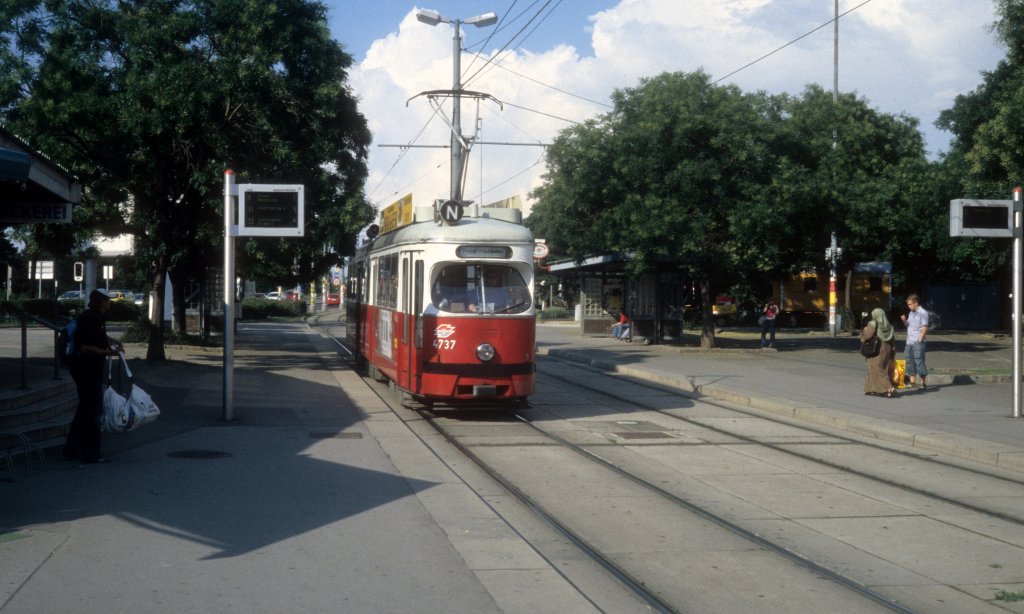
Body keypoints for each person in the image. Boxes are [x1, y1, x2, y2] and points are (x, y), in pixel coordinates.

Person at [63, 289, 124, 464]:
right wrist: (110, 353)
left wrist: (110, 343)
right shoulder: (93, 318)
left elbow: (95, 338)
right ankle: (90, 452)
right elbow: (85, 347)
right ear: (102, 302)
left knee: (85, 409)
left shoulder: (93, 317)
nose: (110, 303)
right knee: (92, 411)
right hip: (86, 370)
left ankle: (71, 449)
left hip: (84, 369)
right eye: (108, 300)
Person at [861, 308, 897, 398]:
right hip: (887, 349)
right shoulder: (889, 326)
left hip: (876, 349)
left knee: (878, 370)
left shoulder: (873, 323)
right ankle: (872, 389)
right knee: (877, 369)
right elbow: (893, 341)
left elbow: (867, 336)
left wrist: (863, 332)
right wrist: (893, 354)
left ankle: (889, 388)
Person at [900, 293, 929, 389]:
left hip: (917, 341)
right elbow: (908, 325)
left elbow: (925, 327)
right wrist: (904, 320)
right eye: (908, 304)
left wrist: (920, 339)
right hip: (909, 341)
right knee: (909, 360)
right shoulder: (911, 313)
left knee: (919, 360)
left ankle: (923, 383)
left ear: (916, 303)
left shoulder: (923, 313)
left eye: (910, 304)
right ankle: (912, 382)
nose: (909, 306)